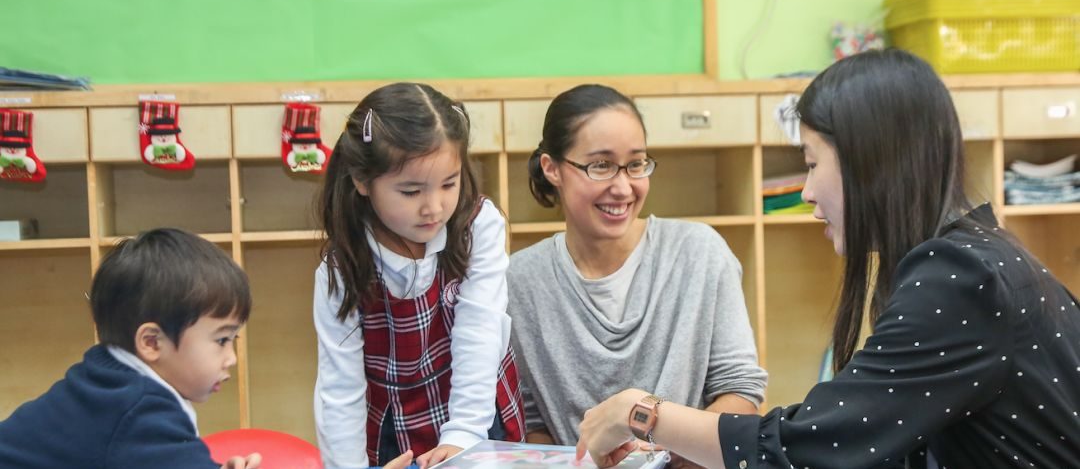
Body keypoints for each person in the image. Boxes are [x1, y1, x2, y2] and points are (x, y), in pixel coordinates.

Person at [576, 49, 1080, 469]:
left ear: (873, 163)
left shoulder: (961, 279)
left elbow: (815, 447)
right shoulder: (975, 257)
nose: (809, 192)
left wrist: (640, 412)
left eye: (813, 165)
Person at [507, 84, 767, 460]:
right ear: (552, 169)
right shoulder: (521, 279)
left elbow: (740, 391)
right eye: (600, 166)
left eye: (635, 164)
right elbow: (531, 422)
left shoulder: (699, 252)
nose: (623, 186)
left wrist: (674, 457)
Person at [314, 82, 525, 469]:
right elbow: (339, 389)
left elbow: (480, 332)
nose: (434, 207)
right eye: (411, 191)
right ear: (362, 181)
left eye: (449, 183)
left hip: (477, 415)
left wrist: (463, 433)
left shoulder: (478, 226)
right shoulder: (342, 267)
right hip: (398, 434)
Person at [0, 228, 260, 469]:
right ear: (151, 342)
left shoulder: (106, 381)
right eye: (222, 340)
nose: (231, 359)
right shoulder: (138, 411)